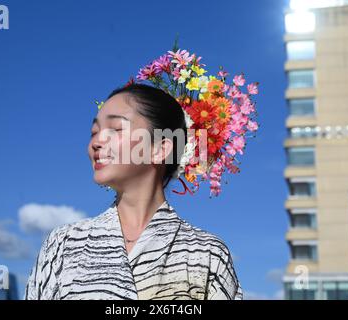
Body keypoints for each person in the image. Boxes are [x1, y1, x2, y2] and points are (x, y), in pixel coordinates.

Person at [24, 83, 243, 300]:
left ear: (160, 149)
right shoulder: (63, 245)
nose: (96, 142)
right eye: (94, 132)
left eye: (116, 129)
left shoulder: (207, 254)